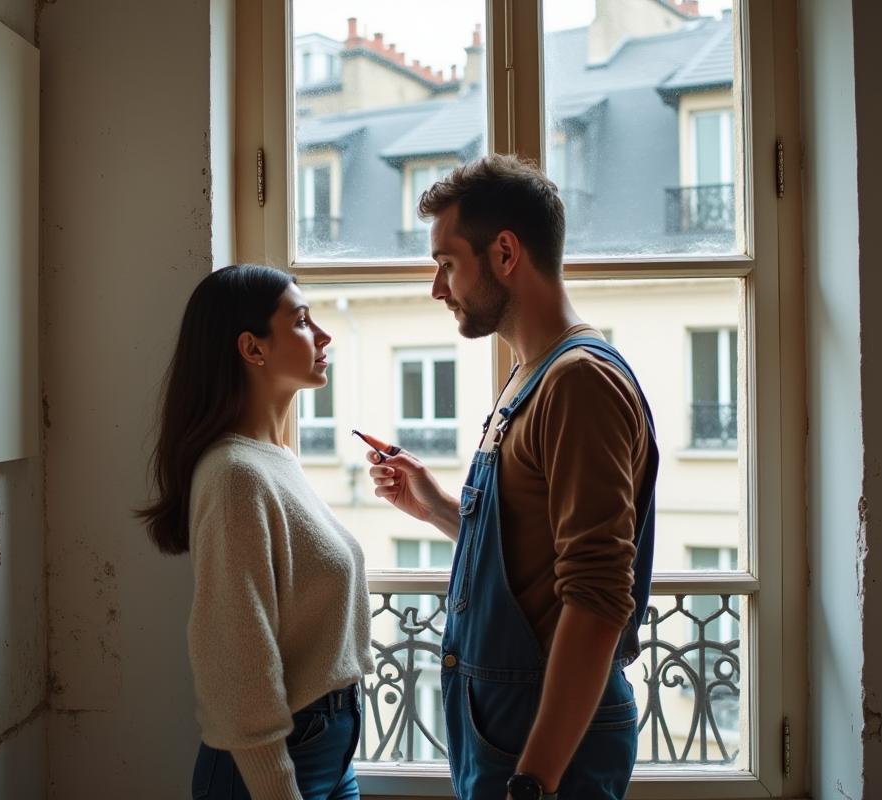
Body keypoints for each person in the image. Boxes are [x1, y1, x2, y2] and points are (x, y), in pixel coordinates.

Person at [366, 154, 658, 800]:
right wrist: (439, 508)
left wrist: (535, 780)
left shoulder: (579, 381)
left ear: (504, 253)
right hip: (507, 729)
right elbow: (531, 560)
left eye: (447, 264)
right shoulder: (531, 373)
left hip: (547, 748)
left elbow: (596, 594)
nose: (438, 289)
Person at [138, 265, 374, 800]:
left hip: (328, 750)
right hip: (275, 768)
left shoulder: (276, 460)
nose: (323, 336)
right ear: (253, 348)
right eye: (302, 321)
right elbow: (236, 656)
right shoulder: (235, 475)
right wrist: (275, 785)